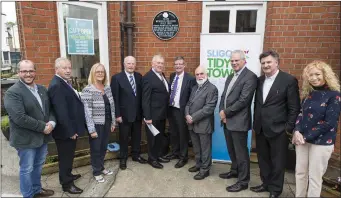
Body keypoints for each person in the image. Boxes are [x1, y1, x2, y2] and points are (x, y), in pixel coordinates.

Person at [252, 50, 300, 198]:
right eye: (263, 63)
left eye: (268, 62)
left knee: (278, 162)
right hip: (260, 128)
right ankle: (265, 183)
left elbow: (294, 107)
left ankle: (276, 189)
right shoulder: (259, 81)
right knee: (263, 159)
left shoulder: (288, 80)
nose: (266, 65)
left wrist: (288, 129)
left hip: (279, 130)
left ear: (277, 63)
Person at [4, 60, 55, 198]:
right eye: (24, 71)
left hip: (42, 137)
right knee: (27, 169)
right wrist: (43, 127)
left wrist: (51, 122)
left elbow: (49, 110)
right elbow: (19, 117)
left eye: (31, 71)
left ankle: (37, 190)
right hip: (25, 139)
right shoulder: (12, 92)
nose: (28, 74)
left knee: (38, 166)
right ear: (18, 72)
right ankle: (28, 195)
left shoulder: (42, 89)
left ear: (35, 72)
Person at [293, 60, 340, 197]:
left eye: (317, 74)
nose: (314, 78)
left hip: (321, 142)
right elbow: (300, 114)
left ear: (325, 74)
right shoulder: (308, 93)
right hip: (302, 140)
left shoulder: (334, 95)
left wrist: (305, 136)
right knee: (300, 173)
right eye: (310, 75)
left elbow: (330, 122)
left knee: (315, 177)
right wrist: (296, 131)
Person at [218, 50, 257, 192]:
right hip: (227, 120)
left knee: (241, 153)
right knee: (231, 149)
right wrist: (222, 111)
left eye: (237, 60)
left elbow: (243, 101)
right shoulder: (230, 76)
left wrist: (225, 112)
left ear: (244, 60)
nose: (234, 63)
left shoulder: (250, 77)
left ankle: (243, 181)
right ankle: (234, 170)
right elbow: (224, 96)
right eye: (232, 61)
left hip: (239, 122)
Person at [48, 57, 86, 194]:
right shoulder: (57, 85)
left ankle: (68, 176)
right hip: (65, 132)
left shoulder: (64, 82)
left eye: (69, 67)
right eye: (64, 68)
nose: (68, 70)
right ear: (56, 69)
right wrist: (70, 131)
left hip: (69, 129)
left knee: (69, 156)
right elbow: (61, 112)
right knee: (65, 158)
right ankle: (67, 184)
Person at [111, 56, 147, 170]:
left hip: (137, 114)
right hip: (124, 115)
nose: (131, 65)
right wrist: (117, 115)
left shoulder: (139, 76)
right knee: (124, 137)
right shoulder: (117, 78)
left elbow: (140, 96)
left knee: (137, 136)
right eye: (128, 63)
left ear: (135, 64)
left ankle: (136, 155)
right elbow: (115, 98)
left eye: (133, 63)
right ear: (124, 64)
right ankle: (123, 158)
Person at [81, 63, 116, 183]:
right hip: (96, 124)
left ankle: (101, 167)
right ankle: (96, 171)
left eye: (102, 71)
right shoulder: (88, 90)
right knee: (96, 149)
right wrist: (91, 129)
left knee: (103, 148)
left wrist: (113, 122)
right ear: (93, 73)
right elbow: (87, 112)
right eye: (98, 72)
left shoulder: (107, 88)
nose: (100, 74)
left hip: (107, 122)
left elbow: (112, 106)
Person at [185, 66, 218, 180]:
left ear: (206, 74)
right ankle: (198, 164)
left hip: (203, 124)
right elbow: (188, 103)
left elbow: (208, 108)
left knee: (205, 148)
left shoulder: (212, 89)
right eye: (197, 74)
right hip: (192, 123)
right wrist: (187, 114)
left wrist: (192, 117)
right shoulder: (195, 88)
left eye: (201, 74)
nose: (199, 76)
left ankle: (205, 169)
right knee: (196, 147)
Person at [164, 56, 196, 168]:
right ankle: (175, 152)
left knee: (183, 135)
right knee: (173, 132)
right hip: (171, 108)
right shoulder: (172, 76)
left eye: (180, 64)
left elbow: (192, 97)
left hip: (182, 111)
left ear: (184, 65)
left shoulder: (190, 79)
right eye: (176, 64)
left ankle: (183, 157)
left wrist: (188, 113)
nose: (178, 66)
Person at [142, 54, 170, 169]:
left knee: (159, 137)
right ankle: (152, 159)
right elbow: (145, 99)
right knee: (152, 138)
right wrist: (147, 116)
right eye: (158, 63)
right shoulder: (148, 77)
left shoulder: (161, 75)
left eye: (162, 63)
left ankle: (158, 155)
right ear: (152, 64)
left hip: (162, 114)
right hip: (152, 116)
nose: (160, 65)